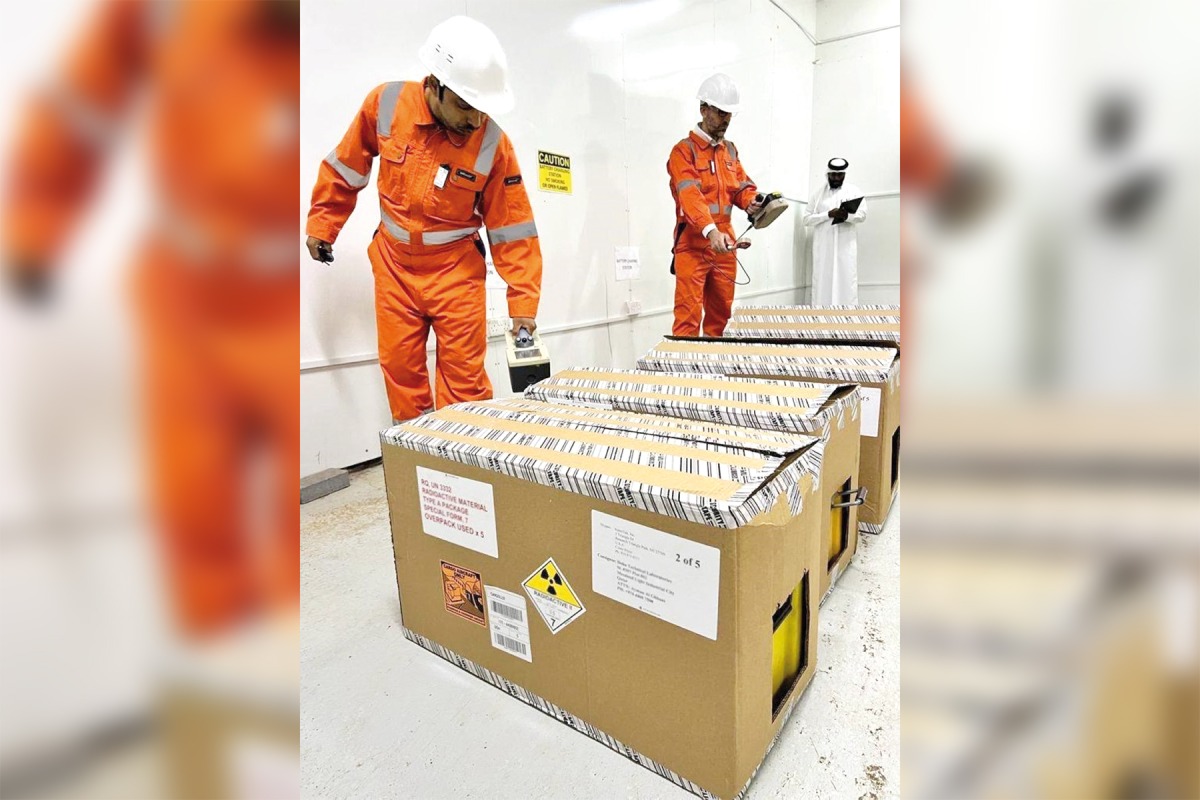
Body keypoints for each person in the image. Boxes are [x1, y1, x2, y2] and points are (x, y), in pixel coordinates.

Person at [3, 0, 300, 636]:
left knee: (290, 535)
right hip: (183, 305)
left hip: (280, 310)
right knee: (196, 515)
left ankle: (284, 671)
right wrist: (32, 228)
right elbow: (75, 111)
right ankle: (220, 676)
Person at [305, 16, 542, 424]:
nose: (475, 120)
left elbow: (513, 227)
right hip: (394, 269)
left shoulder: (493, 143)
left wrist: (522, 302)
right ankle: (415, 468)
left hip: (456, 275)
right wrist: (322, 224)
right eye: (466, 106)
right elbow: (347, 166)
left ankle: (466, 471)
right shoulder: (386, 104)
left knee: (464, 386)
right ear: (433, 84)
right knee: (401, 375)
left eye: (483, 109)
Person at [666, 73, 762, 337]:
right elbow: (690, 196)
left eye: (730, 114)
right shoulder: (684, 151)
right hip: (694, 243)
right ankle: (684, 375)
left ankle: (713, 373)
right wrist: (710, 230)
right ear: (703, 109)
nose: (726, 120)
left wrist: (752, 202)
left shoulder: (729, 150)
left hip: (725, 242)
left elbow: (740, 185)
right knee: (688, 317)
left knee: (721, 316)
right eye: (721, 113)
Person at [804, 158, 867, 305]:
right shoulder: (817, 195)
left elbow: (863, 215)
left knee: (846, 281)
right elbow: (806, 219)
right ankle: (820, 321)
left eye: (840, 175)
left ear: (844, 175)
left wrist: (847, 216)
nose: (836, 178)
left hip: (845, 248)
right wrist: (827, 215)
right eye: (833, 175)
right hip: (823, 247)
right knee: (822, 282)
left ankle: (846, 321)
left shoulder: (854, 192)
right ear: (828, 174)